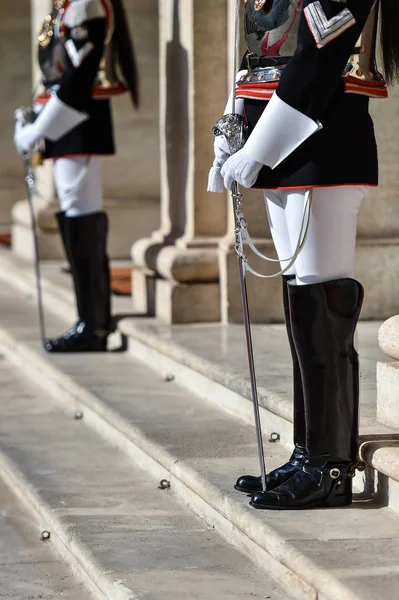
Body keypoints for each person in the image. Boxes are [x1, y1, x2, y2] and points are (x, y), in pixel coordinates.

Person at [208, 0, 399, 509]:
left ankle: (330, 465)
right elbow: (252, 55)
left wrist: (260, 146)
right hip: (279, 137)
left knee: (322, 301)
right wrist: (232, 131)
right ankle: (307, 450)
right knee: (303, 298)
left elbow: (321, 55)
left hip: (322, 143)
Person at [14, 0, 139, 353]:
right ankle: (89, 318)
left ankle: (94, 324)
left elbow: (80, 76)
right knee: (73, 212)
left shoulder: (85, 6)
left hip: (78, 118)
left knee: (81, 212)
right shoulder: (66, 5)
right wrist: (37, 120)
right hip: (65, 117)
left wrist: (41, 127)